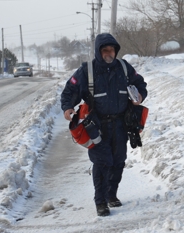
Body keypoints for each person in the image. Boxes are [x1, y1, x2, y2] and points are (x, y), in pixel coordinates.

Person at [61, 33, 147, 217]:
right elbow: (69, 91)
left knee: (118, 161)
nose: (109, 53)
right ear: (98, 52)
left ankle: (111, 194)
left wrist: (139, 95)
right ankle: (100, 202)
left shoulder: (124, 68)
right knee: (102, 162)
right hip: (96, 125)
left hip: (121, 124)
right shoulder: (87, 71)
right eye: (105, 50)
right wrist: (68, 108)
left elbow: (140, 83)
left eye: (112, 50)